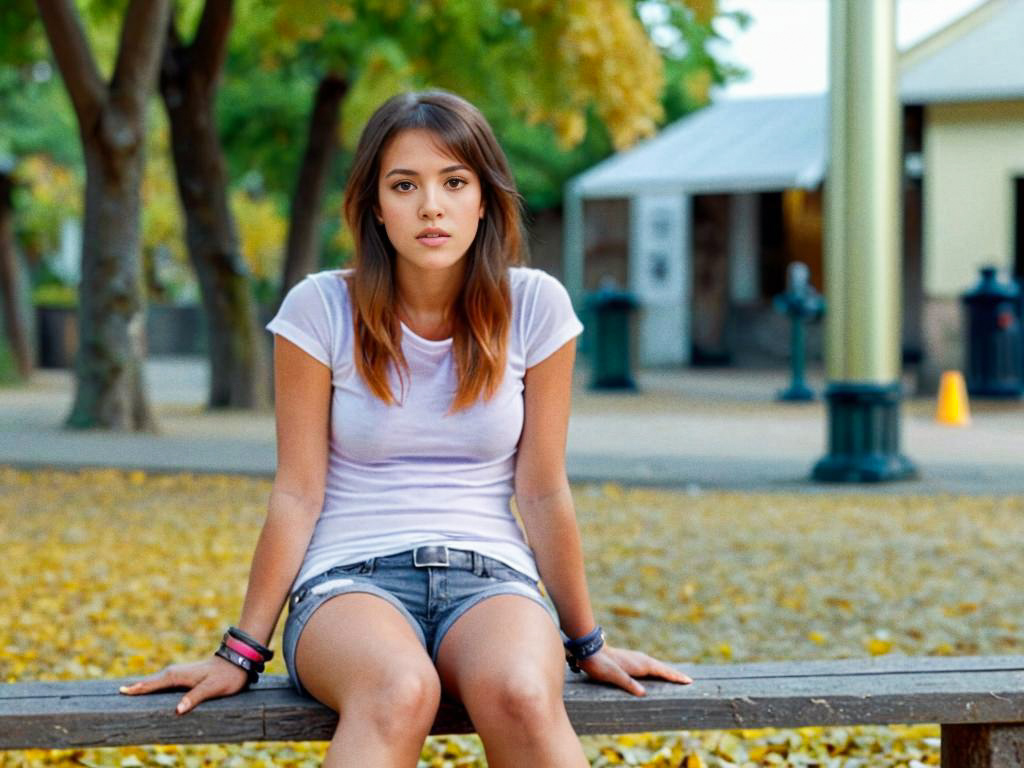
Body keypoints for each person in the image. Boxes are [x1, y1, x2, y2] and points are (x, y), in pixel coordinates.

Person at [119, 89, 691, 767]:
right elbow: (298, 493)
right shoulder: (319, 309)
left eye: (454, 182)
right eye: (404, 185)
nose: (431, 206)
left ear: (485, 199)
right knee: (399, 688)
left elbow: (541, 492)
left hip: (492, 579)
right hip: (346, 584)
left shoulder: (535, 305)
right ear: (374, 206)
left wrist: (587, 643)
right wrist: (240, 651)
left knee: (522, 693)